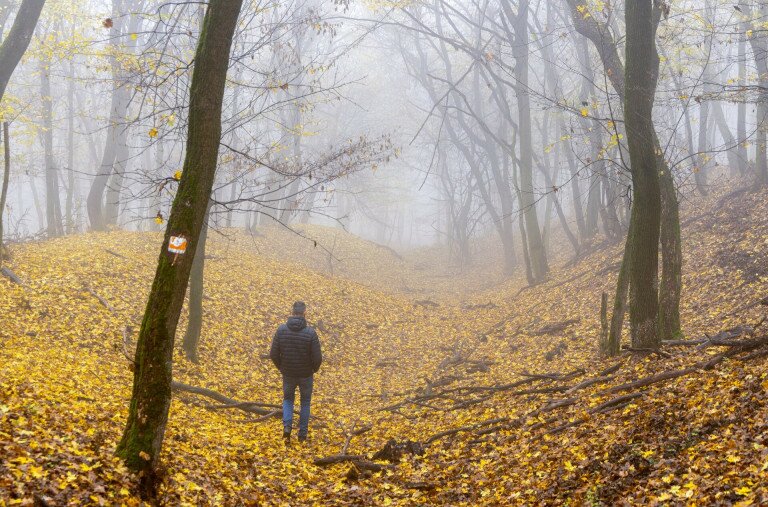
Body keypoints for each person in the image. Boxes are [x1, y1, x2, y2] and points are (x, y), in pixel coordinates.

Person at [270, 301, 322, 443]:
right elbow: (318, 357)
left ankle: (287, 427)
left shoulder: (281, 330)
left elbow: (273, 354)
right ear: (304, 312)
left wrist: (282, 367)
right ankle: (302, 434)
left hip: (288, 373)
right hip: (306, 374)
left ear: (292, 312)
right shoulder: (311, 333)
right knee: (305, 402)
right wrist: (313, 369)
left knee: (288, 400)